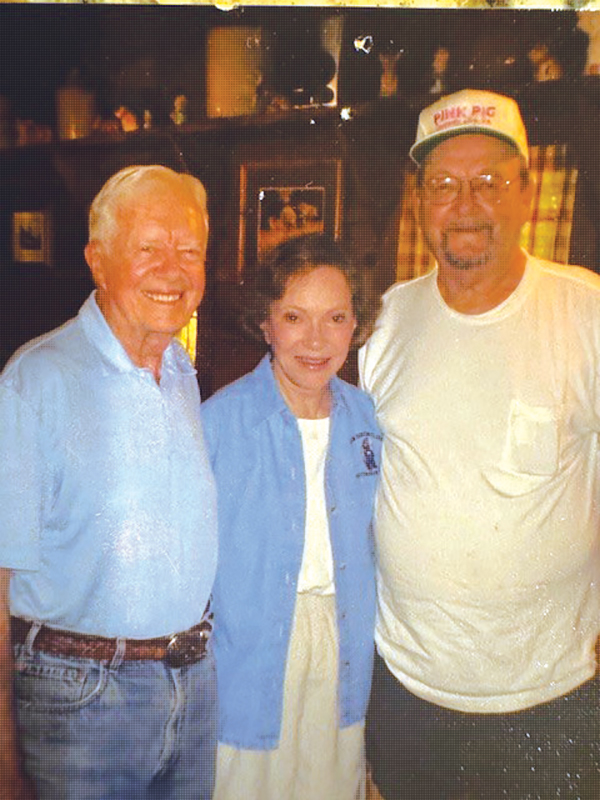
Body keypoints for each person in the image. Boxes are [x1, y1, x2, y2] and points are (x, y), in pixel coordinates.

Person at [359, 89, 600, 800]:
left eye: (489, 182)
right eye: (443, 185)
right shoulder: (383, 321)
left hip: (550, 694)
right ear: (420, 201)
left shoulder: (585, 312)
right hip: (405, 684)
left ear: (527, 193)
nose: (465, 203)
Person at [0, 165, 218, 800]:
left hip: (192, 687)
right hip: (83, 696)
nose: (173, 270)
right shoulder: (35, 382)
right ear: (99, 262)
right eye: (149, 248)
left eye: (190, 251)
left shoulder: (179, 368)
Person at [202, 233, 382, 800]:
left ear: (356, 325)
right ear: (266, 323)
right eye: (294, 317)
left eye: (335, 318)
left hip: (342, 645)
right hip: (248, 652)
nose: (315, 339)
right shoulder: (219, 422)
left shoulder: (367, 419)